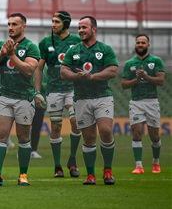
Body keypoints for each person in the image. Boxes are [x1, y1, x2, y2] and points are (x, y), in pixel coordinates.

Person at [0, 13, 40, 186]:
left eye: (14, 24)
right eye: (9, 24)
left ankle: (23, 175)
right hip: (3, 97)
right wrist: (2, 53)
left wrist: (12, 55)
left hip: (24, 98)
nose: (10, 27)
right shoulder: (1, 45)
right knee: (0, 134)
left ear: (23, 26)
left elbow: (29, 70)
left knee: (23, 137)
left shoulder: (31, 47)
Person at [60, 16, 118, 185]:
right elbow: (63, 72)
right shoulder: (74, 50)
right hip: (81, 99)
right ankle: (91, 175)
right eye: (79, 28)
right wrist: (76, 76)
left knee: (106, 131)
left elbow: (113, 70)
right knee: (89, 138)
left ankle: (107, 170)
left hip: (102, 96)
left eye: (84, 27)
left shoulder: (105, 49)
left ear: (94, 29)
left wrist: (92, 77)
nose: (80, 30)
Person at [34, 11, 82, 177]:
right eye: (52, 21)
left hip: (74, 89)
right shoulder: (46, 42)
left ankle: (73, 159)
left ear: (66, 24)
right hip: (54, 90)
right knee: (56, 126)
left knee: (77, 122)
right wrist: (37, 91)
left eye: (57, 22)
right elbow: (39, 68)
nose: (53, 24)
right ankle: (57, 166)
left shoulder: (77, 41)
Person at [121, 34, 165, 174]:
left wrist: (146, 76)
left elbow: (161, 81)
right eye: (138, 42)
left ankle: (156, 162)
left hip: (152, 101)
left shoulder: (156, 61)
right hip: (136, 102)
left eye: (143, 42)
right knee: (136, 133)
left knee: (154, 136)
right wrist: (136, 79)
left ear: (148, 44)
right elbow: (123, 84)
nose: (140, 44)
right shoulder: (130, 63)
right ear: (135, 45)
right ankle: (139, 166)